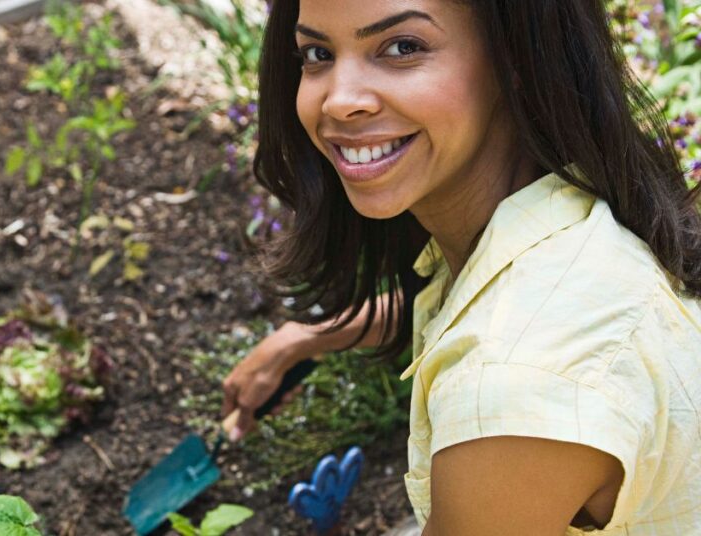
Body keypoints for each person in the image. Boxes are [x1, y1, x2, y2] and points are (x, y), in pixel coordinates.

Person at [220, 0, 701, 534]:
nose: (340, 100)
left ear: (515, 61)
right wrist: (308, 336)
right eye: (317, 53)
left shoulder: (516, 395)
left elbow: (518, 362)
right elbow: (471, 304)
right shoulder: (566, 214)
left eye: (403, 47)